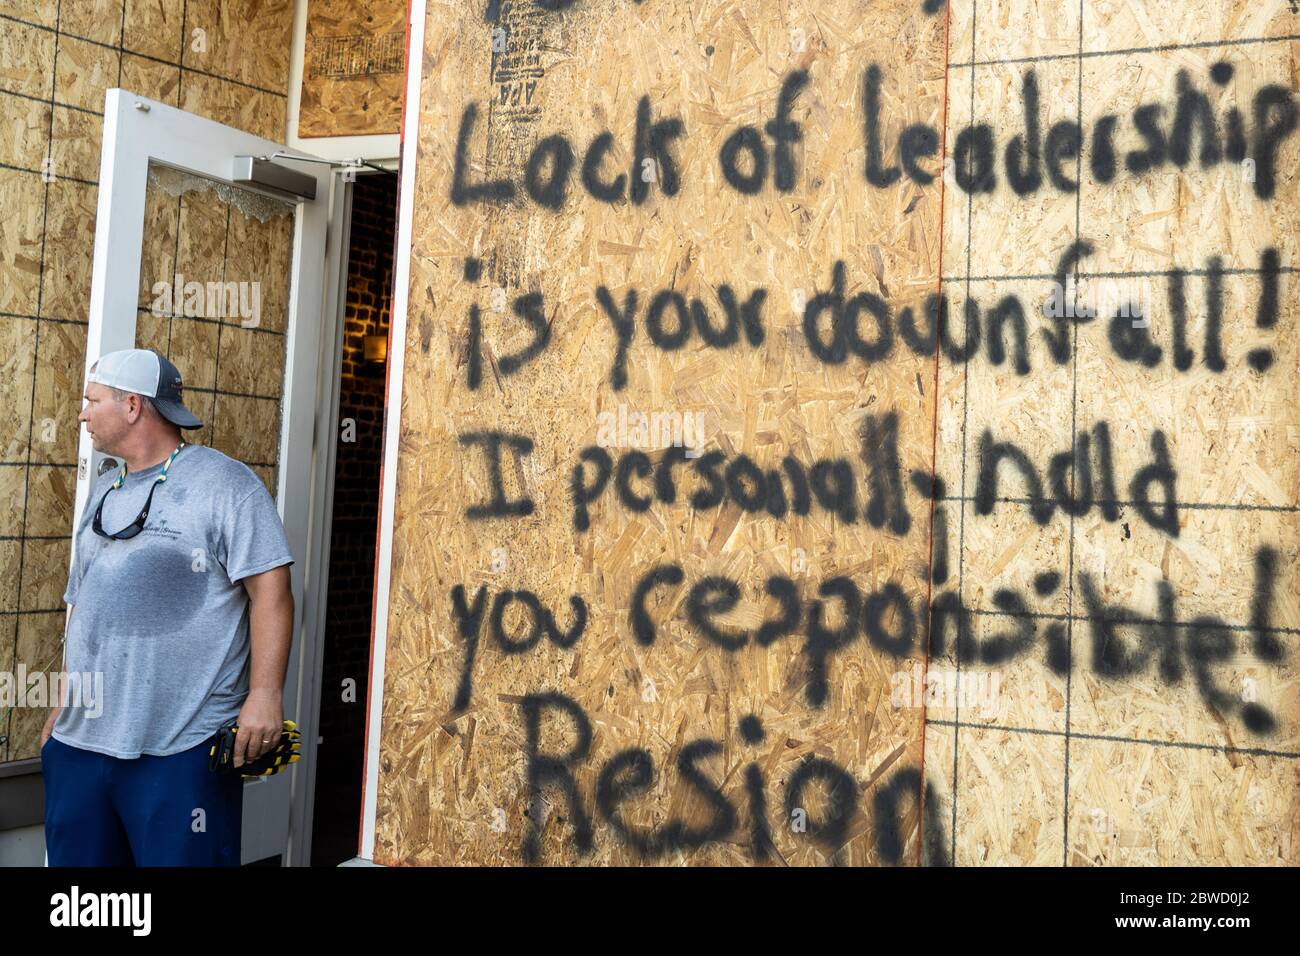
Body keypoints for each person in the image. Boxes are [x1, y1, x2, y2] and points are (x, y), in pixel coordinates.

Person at [40, 348, 295, 866]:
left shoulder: (227, 486)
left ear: (132, 406)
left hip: (180, 749)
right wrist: (59, 709)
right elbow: (82, 609)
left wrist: (265, 695)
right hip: (81, 747)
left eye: (92, 401)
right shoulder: (105, 490)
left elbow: (272, 591)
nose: (83, 414)